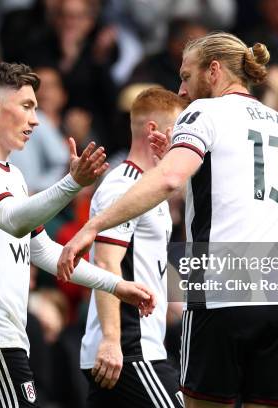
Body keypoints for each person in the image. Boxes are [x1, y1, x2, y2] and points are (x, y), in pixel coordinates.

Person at [59, 32, 278, 407]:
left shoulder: (205, 112)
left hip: (224, 291)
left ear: (214, 71)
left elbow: (169, 178)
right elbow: (231, 195)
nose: (182, 90)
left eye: (187, 76)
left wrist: (92, 226)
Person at [0, 62, 156, 408]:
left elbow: (44, 251)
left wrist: (116, 285)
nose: (35, 120)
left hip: (5, 333)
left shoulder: (13, 176)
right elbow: (13, 220)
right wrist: (72, 183)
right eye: (27, 106)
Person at [80, 87, 187, 408]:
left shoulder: (153, 189)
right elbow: (106, 264)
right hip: (128, 349)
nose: (184, 143)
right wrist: (112, 341)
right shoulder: (124, 187)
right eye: (178, 131)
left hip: (136, 345)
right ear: (153, 131)